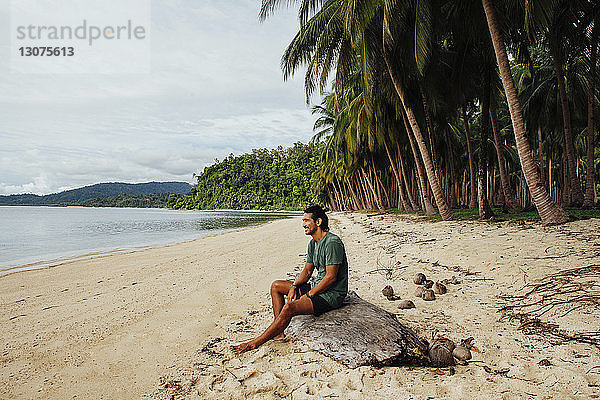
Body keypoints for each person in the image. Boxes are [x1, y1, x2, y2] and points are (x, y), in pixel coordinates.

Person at [232, 205, 348, 354]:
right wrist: (294, 286)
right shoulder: (313, 243)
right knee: (276, 286)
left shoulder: (332, 242)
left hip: (331, 295)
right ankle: (278, 333)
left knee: (289, 308)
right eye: (303, 220)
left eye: (306, 220)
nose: (303, 224)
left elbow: (331, 278)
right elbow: (307, 271)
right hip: (318, 286)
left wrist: (309, 294)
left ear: (318, 222)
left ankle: (255, 343)